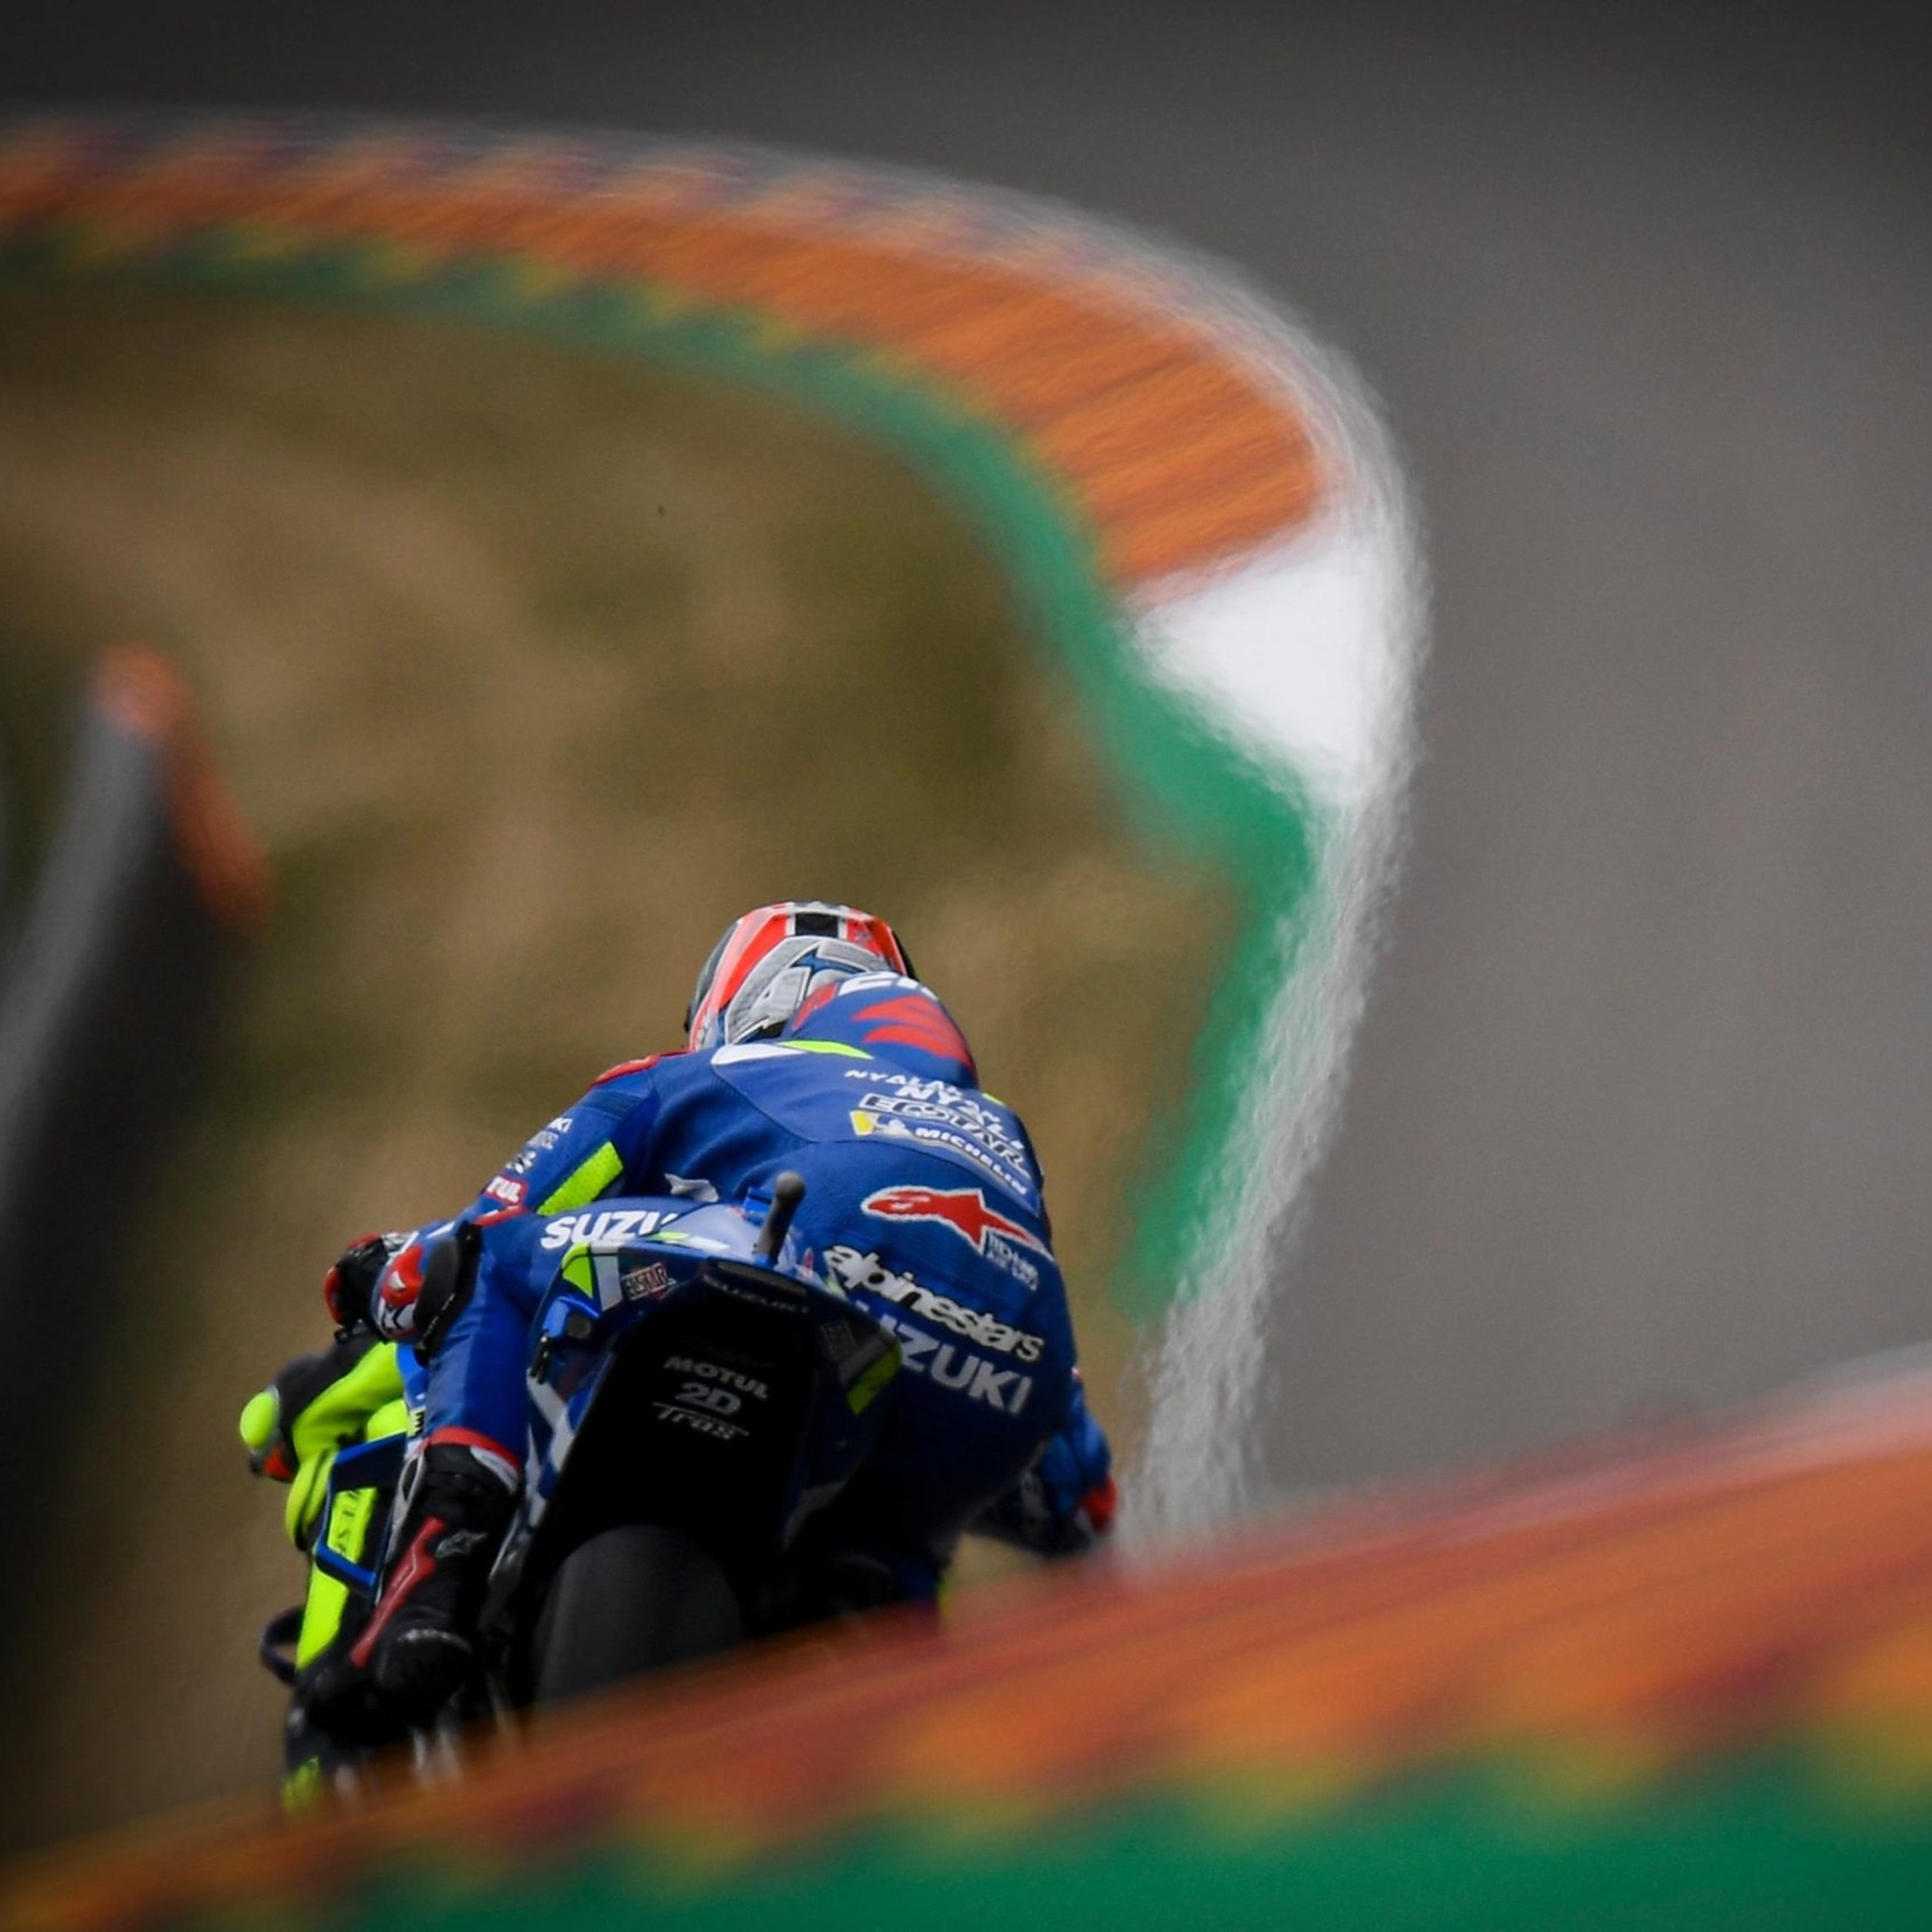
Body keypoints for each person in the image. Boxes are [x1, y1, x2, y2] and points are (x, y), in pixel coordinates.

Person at [246, 901, 1117, 1752]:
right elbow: (1078, 1497)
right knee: (890, 1568)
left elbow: (486, 1226)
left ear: (749, 999)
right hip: (1011, 1367)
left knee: (487, 1269)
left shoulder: (700, 1075)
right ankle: (896, 1766)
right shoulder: (1004, 1137)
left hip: (796, 1254)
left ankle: (435, 1582)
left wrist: (379, 1276)